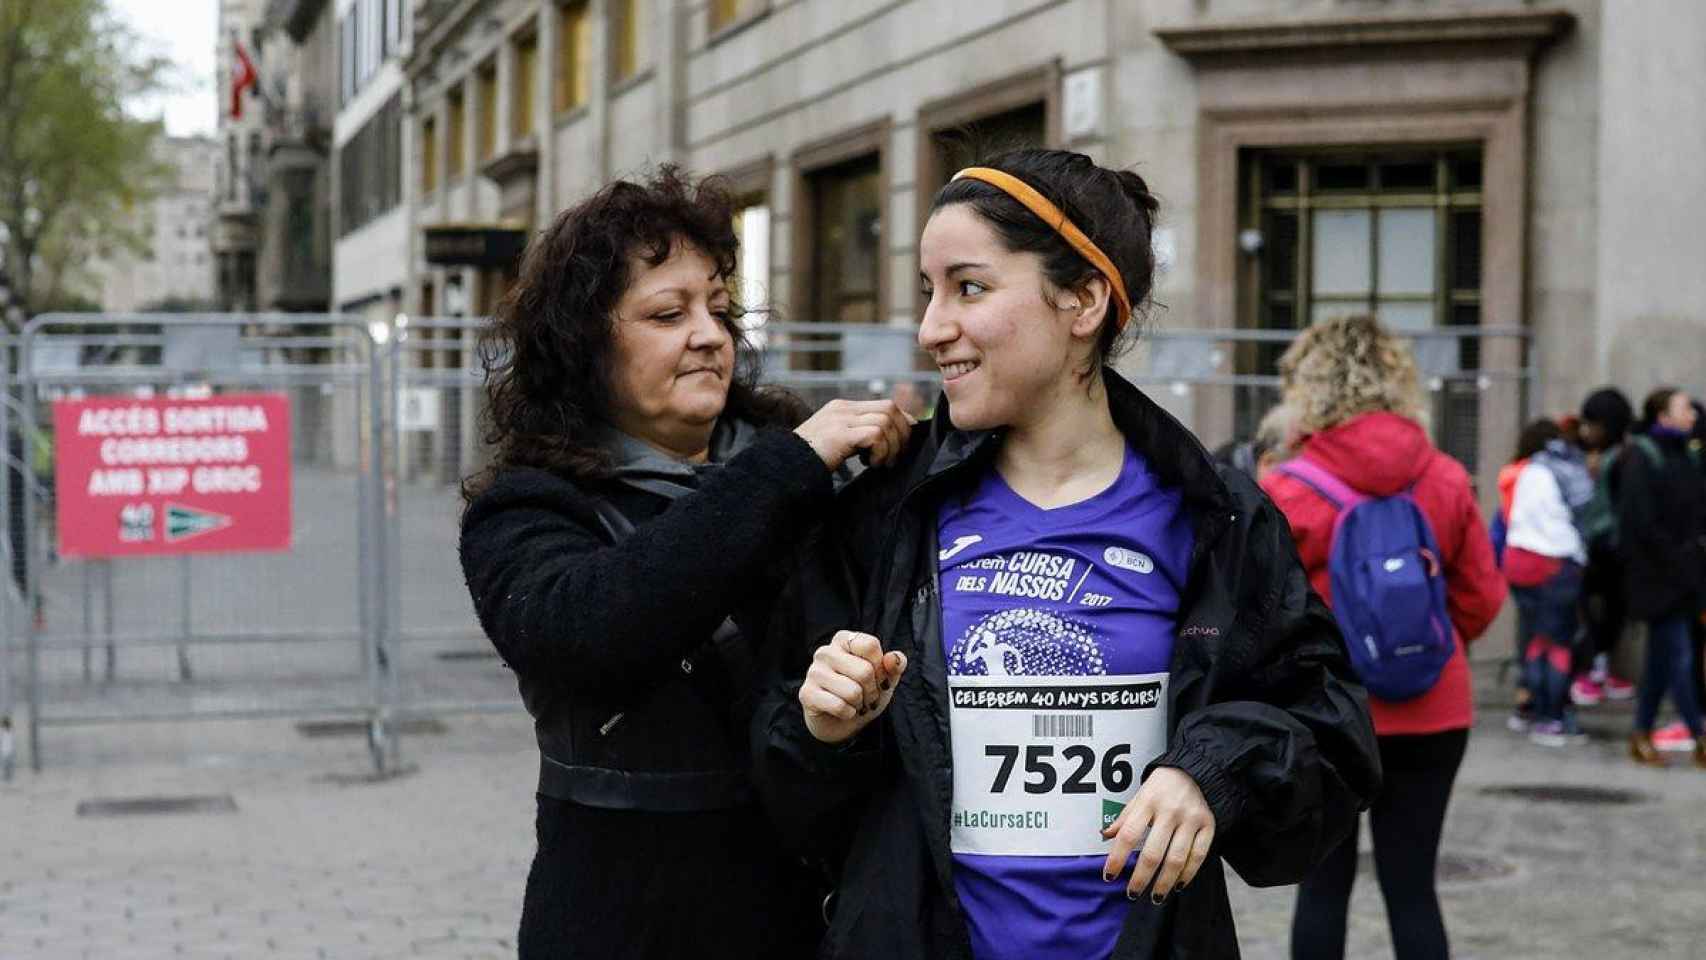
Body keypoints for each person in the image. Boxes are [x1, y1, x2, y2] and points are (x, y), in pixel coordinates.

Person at [754, 149, 1381, 960]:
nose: (931, 327)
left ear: (1082, 301)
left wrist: (1208, 772)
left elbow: (1328, 735)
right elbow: (792, 798)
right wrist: (822, 727)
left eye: (968, 287)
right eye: (929, 290)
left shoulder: (1212, 515)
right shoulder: (886, 509)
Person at [457, 166, 914, 957]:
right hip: (622, 920)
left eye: (720, 310)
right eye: (668, 313)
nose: (709, 334)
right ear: (583, 346)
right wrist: (791, 468)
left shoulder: (805, 476)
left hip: (804, 912)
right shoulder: (527, 508)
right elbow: (595, 628)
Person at [1259, 314, 1506, 960]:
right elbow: (1482, 598)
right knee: (1413, 889)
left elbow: (1261, 612)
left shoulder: (1286, 488)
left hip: (1328, 714)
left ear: (1308, 387)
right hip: (1433, 711)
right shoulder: (1446, 477)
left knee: (1322, 889)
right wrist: (1431, 646)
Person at [1620, 387, 1706, 768]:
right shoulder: (1643, 456)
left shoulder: (1687, 454)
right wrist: (1679, 559)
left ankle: (1641, 734)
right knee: (1681, 658)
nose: (1692, 414)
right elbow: (1641, 523)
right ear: (1663, 416)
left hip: (1685, 576)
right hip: (1659, 579)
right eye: (1684, 408)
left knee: (1659, 661)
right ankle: (1700, 734)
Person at [1501, 418, 1594, 745]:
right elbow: (1583, 512)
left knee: (1537, 640)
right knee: (1557, 644)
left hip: (1517, 559)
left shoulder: (1523, 471)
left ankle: (1532, 709)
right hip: (1554, 561)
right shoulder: (1565, 469)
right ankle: (1550, 717)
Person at [1571, 388, 1638, 706]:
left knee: (1611, 610)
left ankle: (1597, 668)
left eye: (1592, 423)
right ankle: (1595, 667)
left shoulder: (1624, 457)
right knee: (1593, 609)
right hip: (1593, 544)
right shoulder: (1590, 454)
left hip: (1609, 546)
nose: (1587, 431)